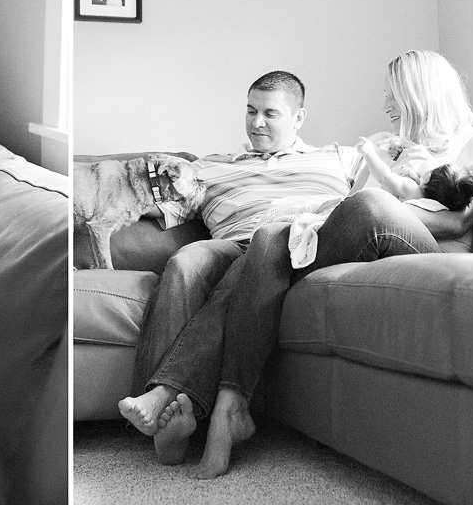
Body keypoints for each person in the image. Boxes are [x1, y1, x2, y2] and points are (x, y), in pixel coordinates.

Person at [142, 50, 473, 480]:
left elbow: (458, 220)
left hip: (432, 249)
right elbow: (345, 202)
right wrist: (321, 213)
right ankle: (230, 407)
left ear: (419, 93)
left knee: (369, 204)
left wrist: (375, 199)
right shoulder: (391, 146)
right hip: (369, 237)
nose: (386, 104)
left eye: (392, 95)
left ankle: (181, 394)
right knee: (269, 237)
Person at [118, 71, 361, 439]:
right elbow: (150, 204)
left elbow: (400, 184)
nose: (256, 123)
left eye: (270, 113)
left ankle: (163, 401)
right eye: (250, 111)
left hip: (302, 246)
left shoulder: (341, 158)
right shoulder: (209, 168)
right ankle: (166, 423)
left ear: (299, 117)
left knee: (263, 247)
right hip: (232, 246)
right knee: (185, 261)